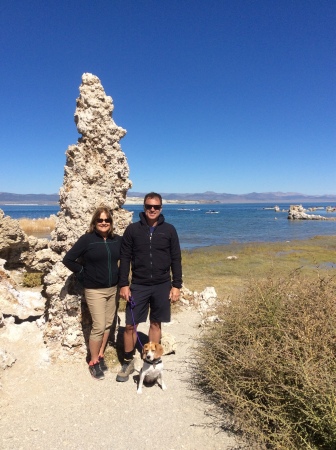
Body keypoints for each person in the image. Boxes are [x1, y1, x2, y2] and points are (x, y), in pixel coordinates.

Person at [116, 192, 182, 382]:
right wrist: (123, 284)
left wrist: (176, 285)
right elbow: (125, 258)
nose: (152, 209)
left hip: (162, 284)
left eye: (156, 207)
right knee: (130, 325)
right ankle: (128, 362)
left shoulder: (169, 230)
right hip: (139, 285)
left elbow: (176, 258)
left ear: (161, 208)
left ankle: (153, 360)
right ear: (143, 208)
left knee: (155, 323)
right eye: (148, 206)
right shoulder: (133, 230)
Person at [63, 206, 122, 380]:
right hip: (94, 290)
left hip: (113, 289)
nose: (103, 223)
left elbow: (128, 255)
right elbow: (68, 259)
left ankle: (101, 355)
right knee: (98, 325)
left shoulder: (117, 240)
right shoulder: (87, 240)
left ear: (111, 223)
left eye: (107, 220)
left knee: (108, 324)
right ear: (94, 222)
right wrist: (83, 273)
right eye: (100, 220)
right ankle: (93, 361)